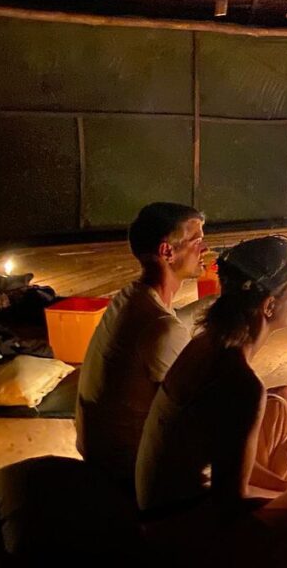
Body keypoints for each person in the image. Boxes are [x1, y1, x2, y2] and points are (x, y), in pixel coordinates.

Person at [136, 235, 287, 567]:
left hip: (180, 505)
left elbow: (224, 450)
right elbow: (230, 503)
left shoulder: (208, 343)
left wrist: (286, 487)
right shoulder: (238, 381)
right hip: (181, 528)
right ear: (269, 305)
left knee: (279, 411)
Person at [75, 202, 206, 488]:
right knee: (271, 413)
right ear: (167, 251)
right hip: (130, 472)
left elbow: (174, 325)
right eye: (197, 241)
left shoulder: (130, 298)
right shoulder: (159, 327)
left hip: (100, 453)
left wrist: (214, 305)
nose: (204, 249)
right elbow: (205, 408)